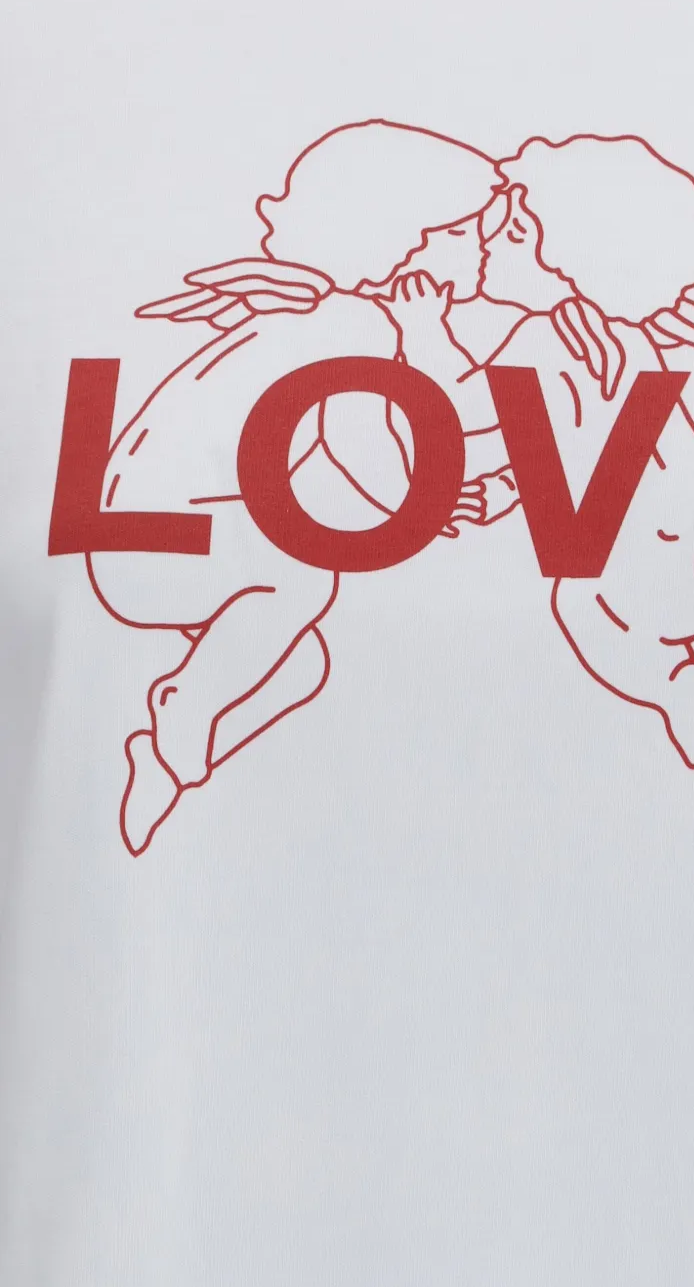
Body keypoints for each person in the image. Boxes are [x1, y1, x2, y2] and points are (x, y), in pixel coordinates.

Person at [383, 133, 694, 873]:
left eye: (504, 230)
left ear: (544, 247)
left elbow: (455, 414)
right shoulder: (628, 340)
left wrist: (422, 334)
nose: (485, 246)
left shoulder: (537, 343)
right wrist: (503, 493)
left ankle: (677, 694)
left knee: (591, 618)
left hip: (637, 549)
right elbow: (565, 443)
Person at [91, 120, 506, 854]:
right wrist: (428, 492)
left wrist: (429, 485)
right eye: (468, 229)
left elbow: (430, 430)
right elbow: (367, 443)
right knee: (302, 579)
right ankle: (181, 717)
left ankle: (167, 762)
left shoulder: (353, 321)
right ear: (414, 241)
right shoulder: (354, 323)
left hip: (160, 533)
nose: (484, 246)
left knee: (297, 664)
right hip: (153, 537)